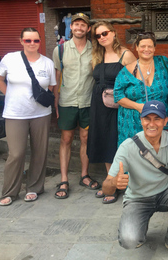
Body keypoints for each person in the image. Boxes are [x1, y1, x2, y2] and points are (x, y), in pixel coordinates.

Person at [102, 100, 168, 260]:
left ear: (165, 121)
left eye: (157, 119)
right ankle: (140, 229)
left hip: (165, 192)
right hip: (137, 199)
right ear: (141, 120)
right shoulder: (127, 147)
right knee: (129, 241)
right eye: (147, 118)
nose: (152, 124)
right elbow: (106, 188)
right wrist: (114, 184)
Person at [0, 28, 56, 206]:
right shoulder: (10, 58)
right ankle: (9, 191)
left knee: (40, 152)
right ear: (21, 41)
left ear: (39, 42)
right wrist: (9, 95)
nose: (32, 44)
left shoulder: (47, 63)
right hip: (15, 113)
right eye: (28, 40)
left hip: (40, 114)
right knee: (16, 153)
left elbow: (51, 86)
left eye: (36, 41)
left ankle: (34, 188)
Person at [86, 21, 136, 204]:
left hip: (119, 106)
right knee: (105, 142)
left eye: (105, 33)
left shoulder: (126, 54)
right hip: (99, 105)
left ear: (114, 33)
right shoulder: (97, 55)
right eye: (98, 36)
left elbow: (134, 82)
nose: (102, 37)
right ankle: (110, 182)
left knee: (118, 143)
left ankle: (123, 183)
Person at [53, 13, 100, 199]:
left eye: (83, 25)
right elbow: (57, 77)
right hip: (67, 101)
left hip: (88, 102)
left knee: (86, 138)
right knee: (66, 139)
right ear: (70, 28)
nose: (79, 28)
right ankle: (64, 179)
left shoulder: (95, 50)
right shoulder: (60, 50)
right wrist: (55, 102)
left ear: (88, 29)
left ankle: (84, 175)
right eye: (76, 24)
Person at [114, 32, 168, 146]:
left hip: (159, 121)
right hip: (132, 123)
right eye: (142, 46)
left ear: (154, 48)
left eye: (150, 46)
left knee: (159, 155)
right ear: (137, 48)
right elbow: (117, 95)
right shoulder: (127, 70)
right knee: (134, 157)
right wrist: (138, 106)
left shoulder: (163, 63)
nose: (146, 49)